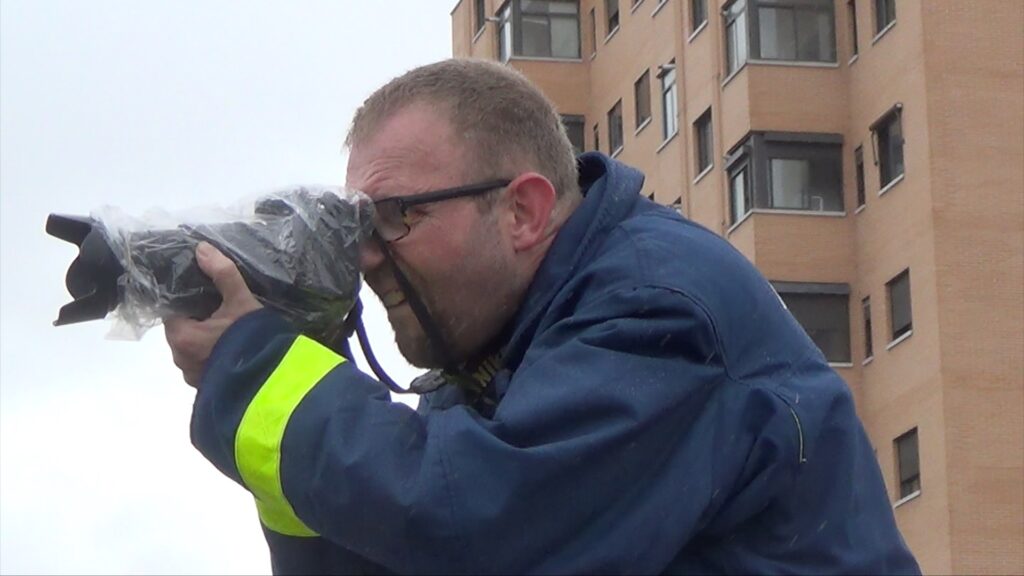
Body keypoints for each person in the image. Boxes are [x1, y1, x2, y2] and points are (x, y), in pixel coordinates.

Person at [165, 58, 921, 574]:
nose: (367, 258)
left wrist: (259, 366)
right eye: (357, 228)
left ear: (523, 210)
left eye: (393, 217)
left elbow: (481, 529)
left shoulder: (657, 309)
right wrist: (307, 353)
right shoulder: (500, 368)